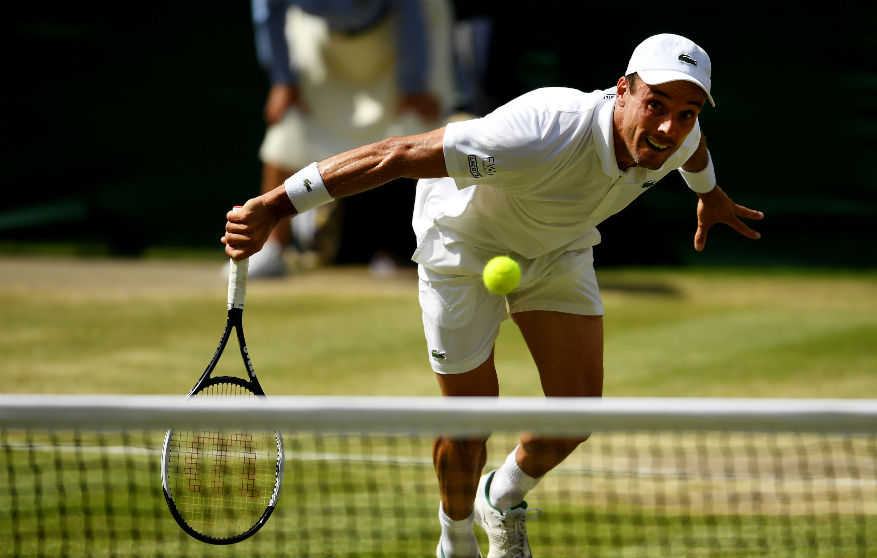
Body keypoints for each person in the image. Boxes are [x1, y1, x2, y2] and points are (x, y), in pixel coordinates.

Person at [223, 33, 763, 558]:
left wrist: (711, 196)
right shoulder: (540, 132)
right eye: (656, 103)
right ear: (622, 89)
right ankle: (454, 542)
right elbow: (397, 153)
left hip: (558, 249)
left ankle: (499, 499)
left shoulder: (680, 136)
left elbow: (694, 152)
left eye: (688, 111)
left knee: (574, 417)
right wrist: (275, 207)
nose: (670, 126)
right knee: (469, 426)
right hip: (462, 245)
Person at [250, 0, 453, 277]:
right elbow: (268, 8)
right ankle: (270, 248)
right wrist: (283, 80)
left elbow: (409, 8)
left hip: (407, 22)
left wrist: (412, 83)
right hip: (319, 35)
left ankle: (440, 246)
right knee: (291, 121)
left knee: (420, 128)